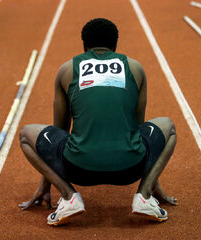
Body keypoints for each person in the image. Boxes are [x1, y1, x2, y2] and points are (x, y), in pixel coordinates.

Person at [19, 18, 177, 226]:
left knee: (25, 134)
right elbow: (138, 129)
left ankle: (68, 196)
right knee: (169, 127)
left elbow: (60, 130)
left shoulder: (67, 69)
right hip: (131, 169)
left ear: (84, 45)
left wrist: (46, 185)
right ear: (115, 45)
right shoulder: (135, 68)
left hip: (77, 170)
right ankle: (145, 195)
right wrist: (152, 178)